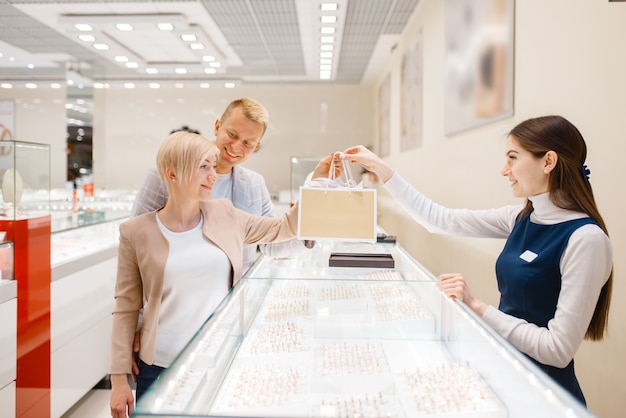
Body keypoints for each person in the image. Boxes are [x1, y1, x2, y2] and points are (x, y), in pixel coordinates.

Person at [341, 115, 613, 405]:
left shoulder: (586, 239)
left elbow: (557, 350)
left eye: (512, 158)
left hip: (544, 395)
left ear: (548, 162)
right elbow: (439, 219)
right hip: (506, 370)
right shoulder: (522, 217)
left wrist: (477, 307)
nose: (504, 170)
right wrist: (382, 170)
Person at [109, 131, 335, 417]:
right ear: (173, 173)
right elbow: (125, 306)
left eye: (213, 166)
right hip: (158, 367)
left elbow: (282, 228)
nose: (213, 175)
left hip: (220, 360)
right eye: (203, 166)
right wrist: (118, 379)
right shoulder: (135, 231)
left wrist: (315, 183)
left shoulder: (225, 214)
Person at [131, 97, 312, 273]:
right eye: (232, 135)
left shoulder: (254, 184)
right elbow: (136, 239)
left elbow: (272, 243)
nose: (235, 147)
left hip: (232, 298)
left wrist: (312, 231)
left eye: (248, 143)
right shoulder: (163, 173)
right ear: (217, 126)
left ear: (257, 146)